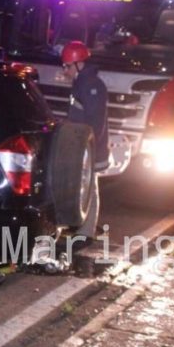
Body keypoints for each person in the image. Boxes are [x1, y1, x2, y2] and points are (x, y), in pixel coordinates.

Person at [62, 40, 109, 237]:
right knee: (83, 186)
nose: (64, 70)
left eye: (67, 66)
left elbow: (95, 122)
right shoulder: (82, 83)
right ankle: (83, 227)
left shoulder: (91, 86)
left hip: (89, 148)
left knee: (89, 188)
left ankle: (87, 231)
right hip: (82, 146)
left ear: (79, 64)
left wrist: (87, 147)